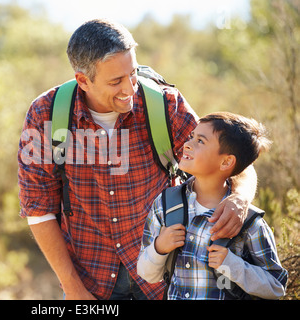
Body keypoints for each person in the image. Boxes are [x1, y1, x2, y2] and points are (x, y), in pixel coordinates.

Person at [18, 19, 257, 300]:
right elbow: (38, 209)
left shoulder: (164, 103)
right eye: (115, 81)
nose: (130, 89)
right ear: (83, 80)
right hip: (89, 282)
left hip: (166, 277)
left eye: (132, 74)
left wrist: (240, 198)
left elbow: (227, 160)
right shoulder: (45, 114)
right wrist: (73, 288)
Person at [137, 112, 288, 299]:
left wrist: (232, 265)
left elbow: (276, 287)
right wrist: (159, 247)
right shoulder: (166, 205)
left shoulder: (248, 223)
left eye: (200, 141)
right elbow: (146, 274)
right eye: (192, 136)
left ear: (226, 162)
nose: (187, 144)